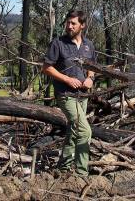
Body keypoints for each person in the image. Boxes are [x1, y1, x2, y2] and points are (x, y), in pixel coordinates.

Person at [42, 10, 97, 176]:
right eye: (68, 23)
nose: (69, 26)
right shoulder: (58, 43)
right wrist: (67, 79)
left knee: (73, 131)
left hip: (83, 95)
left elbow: (92, 68)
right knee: (85, 131)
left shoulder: (89, 45)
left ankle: (63, 168)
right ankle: (81, 173)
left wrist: (90, 79)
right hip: (65, 94)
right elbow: (47, 68)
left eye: (73, 23)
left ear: (82, 25)